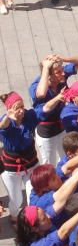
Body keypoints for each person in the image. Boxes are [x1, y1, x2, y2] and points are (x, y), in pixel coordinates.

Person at [29, 53, 78, 166]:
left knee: (67, 160)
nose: (63, 73)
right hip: (46, 132)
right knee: (49, 164)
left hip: (61, 127)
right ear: (49, 75)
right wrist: (46, 67)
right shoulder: (36, 85)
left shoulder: (61, 75)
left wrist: (64, 58)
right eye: (58, 72)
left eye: (62, 70)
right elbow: (41, 94)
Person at [0, 91, 38, 222]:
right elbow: (2, 126)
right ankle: (14, 216)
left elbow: (43, 109)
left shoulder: (28, 116)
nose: (21, 111)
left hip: (30, 164)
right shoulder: (7, 122)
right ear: (10, 109)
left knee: (33, 194)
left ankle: (31, 219)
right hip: (11, 169)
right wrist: (8, 116)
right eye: (17, 108)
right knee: (16, 199)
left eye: (22, 106)